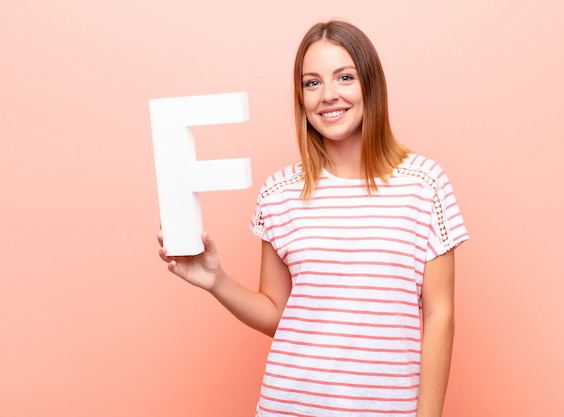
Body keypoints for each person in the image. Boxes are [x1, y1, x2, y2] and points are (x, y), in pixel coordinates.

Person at [158, 20, 469, 417]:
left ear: (370, 84)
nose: (329, 96)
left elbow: (440, 315)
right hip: (287, 406)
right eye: (312, 83)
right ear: (300, 96)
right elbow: (277, 314)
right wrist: (215, 281)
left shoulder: (424, 185)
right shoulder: (279, 193)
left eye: (344, 77)